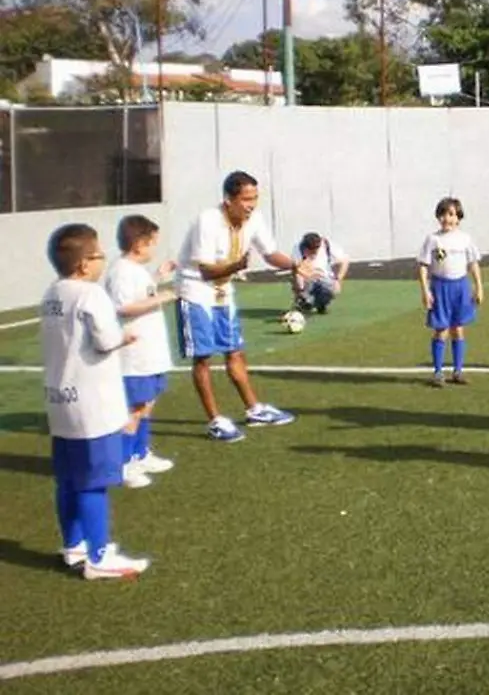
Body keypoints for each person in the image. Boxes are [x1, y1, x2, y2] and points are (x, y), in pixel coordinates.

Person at [41, 223, 150, 579]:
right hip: (93, 405)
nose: (104, 259)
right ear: (84, 263)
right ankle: (99, 556)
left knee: (68, 479)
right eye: (99, 253)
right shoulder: (91, 295)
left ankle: (74, 545)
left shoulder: (52, 293)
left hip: (60, 401)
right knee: (94, 482)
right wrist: (125, 338)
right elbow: (104, 340)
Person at [176, 170, 309, 442]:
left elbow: (270, 254)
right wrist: (236, 266)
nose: (251, 205)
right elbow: (204, 271)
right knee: (202, 357)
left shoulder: (254, 220)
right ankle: (215, 420)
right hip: (196, 291)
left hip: (224, 291)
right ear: (229, 200)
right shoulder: (208, 221)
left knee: (235, 351)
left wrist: (296, 265)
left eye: (255, 198)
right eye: (246, 199)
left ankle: (254, 409)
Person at [104, 215, 177, 489]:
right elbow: (123, 307)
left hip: (151, 353)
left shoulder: (136, 270)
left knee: (147, 405)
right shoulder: (121, 270)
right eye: (152, 243)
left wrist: (158, 276)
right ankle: (123, 465)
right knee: (134, 409)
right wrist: (162, 297)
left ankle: (140, 453)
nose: (154, 248)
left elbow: (140, 293)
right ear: (138, 243)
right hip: (134, 355)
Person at [417, 197, 484, 387]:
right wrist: (425, 290)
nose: (447, 219)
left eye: (452, 214)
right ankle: (438, 373)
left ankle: (458, 371)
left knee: (458, 328)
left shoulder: (465, 239)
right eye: (444, 214)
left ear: (459, 218)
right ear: (438, 217)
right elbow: (423, 266)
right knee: (441, 329)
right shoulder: (433, 239)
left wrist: (478, 286)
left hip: (461, 287)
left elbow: (473, 264)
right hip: (440, 287)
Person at [291, 232, 349, 314]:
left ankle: (321, 304)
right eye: (310, 250)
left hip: (325, 277)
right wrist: (305, 277)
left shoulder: (327, 245)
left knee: (331, 289)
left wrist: (338, 280)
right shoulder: (298, 248)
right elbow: (296, 268)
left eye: (315, 249)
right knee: (300, 283)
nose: (313, 253)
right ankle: (303, 302)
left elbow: (345, 260)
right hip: (307, 276)